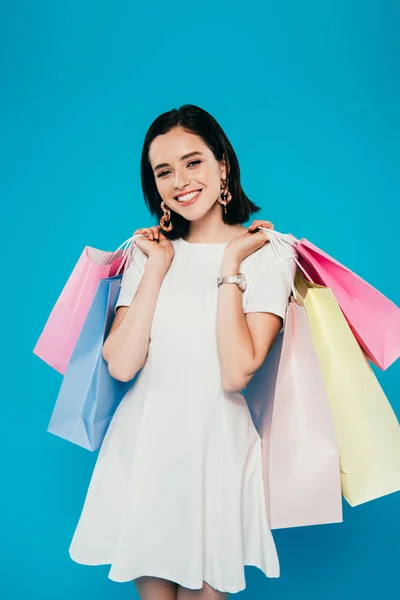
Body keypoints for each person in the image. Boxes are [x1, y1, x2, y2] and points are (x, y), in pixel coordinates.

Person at [68, 104, 296, 599]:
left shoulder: (269, 252)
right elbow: (122, 363)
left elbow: (237, 372)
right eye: (163, 170)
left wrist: (231, 262)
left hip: (217, 447)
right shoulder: (146, 252)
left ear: (223, 167)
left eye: (193, 162)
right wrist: (156, 267)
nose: (180, 180)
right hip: (146, 443)